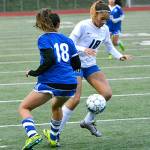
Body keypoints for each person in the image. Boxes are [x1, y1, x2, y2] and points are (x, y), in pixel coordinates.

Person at [58, 0, 131, 138]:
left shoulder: (104, 29)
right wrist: (84, 49)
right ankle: (56, 132)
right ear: (94, 14)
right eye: (102, 18)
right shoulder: (83, 25)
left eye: (106, 19)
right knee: (75, 99)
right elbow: (69, 43)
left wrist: (120, 56)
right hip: (75, 63)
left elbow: (109, 46)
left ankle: (88, 121)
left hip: (90, 65)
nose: (104, 22)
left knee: (107, 93)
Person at [18, 8, 81, 149]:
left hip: (50, 82)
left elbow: (50, 59)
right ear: (59, 24)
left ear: (43, 25)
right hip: (70, 83)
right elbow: (77, 64)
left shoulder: (43, 39)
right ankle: (53, 138)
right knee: (56, 106)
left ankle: (33, 135)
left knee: (24, 107)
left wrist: (34, 72)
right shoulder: (68, 40)